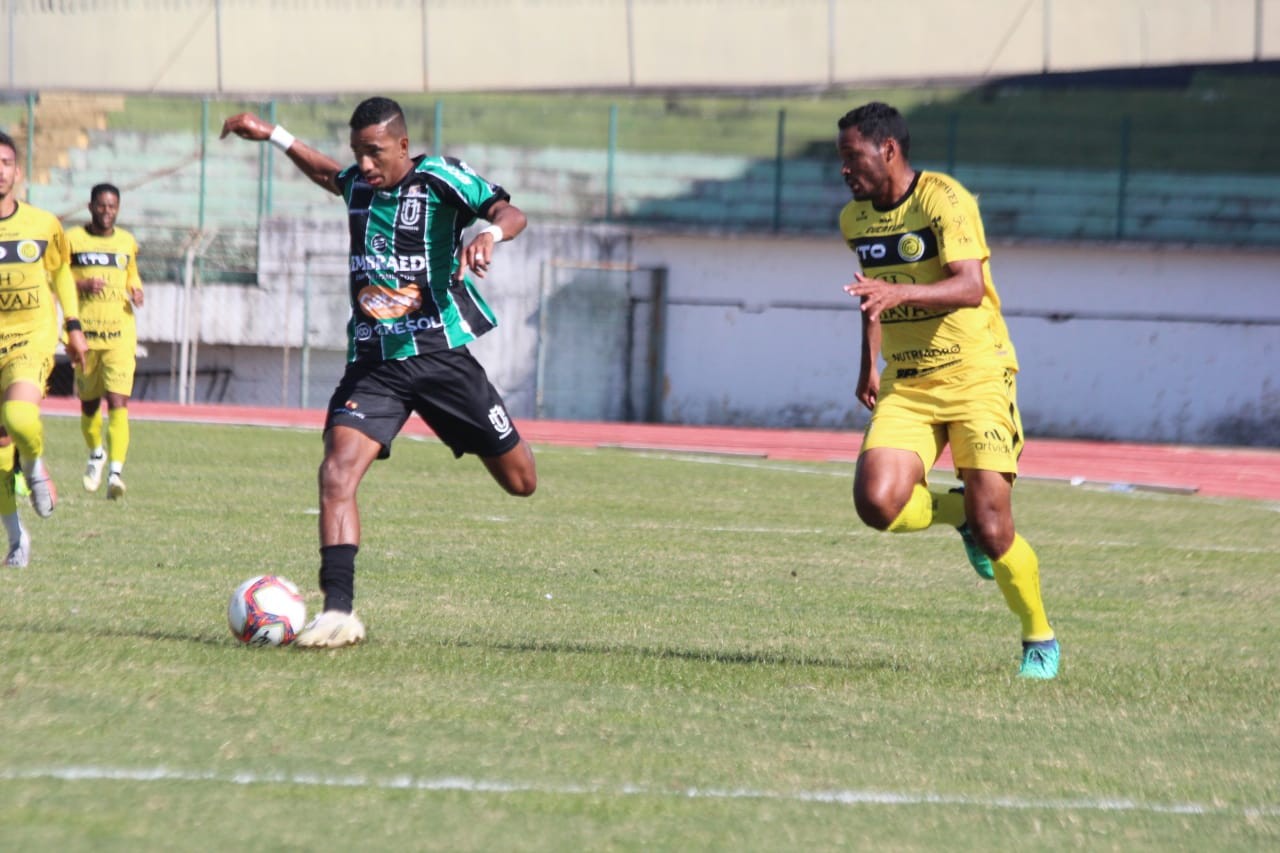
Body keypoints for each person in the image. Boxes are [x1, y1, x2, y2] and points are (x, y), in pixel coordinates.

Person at [220, 97, 537, 648]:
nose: (365, 166)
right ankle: (338, 612)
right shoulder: (358, 185)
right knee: (336, 473)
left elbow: (510, 213)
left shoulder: (440, 179)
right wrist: (272, 134)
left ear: (403, 147)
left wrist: (490, 235)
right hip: (374, 363)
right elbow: (327, 173)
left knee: (521, 482)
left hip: (442, 358)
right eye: (358, 153)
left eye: (375, 153)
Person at [836, 102, 1059, 679]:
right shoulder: (855, 219)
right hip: (908, 382)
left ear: (888, 150)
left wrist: (893, 292)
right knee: (877, 504)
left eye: (851, 156)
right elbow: (873, 295)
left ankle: (1039, 636)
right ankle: (955, 510)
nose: (844, 169)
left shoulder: (944, 199)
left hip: (977, 374)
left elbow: (968, 287)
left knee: (996, 529)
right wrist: (868, 363)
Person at [0, 130, 89, 566]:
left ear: (17, 172)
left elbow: (60, 275)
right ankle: (17, 539)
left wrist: (73, 326)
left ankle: (35, 465)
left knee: (18, 415)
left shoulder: (43, 224)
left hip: (30, 337)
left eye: (4, 162)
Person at [66, 182, 144, 500]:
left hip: (119, 334)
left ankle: (115, 472)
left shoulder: (127, 242)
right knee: (88, 406)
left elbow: (132, 274)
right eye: (101, 206)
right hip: (86, 336)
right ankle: (96, 452)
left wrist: (136, 289)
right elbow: (53, 275)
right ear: (90, 206)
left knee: (118, 402)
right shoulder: (72, 239)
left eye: (112, 207)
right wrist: (82, 282)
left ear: (118, 209)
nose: (107, 212)